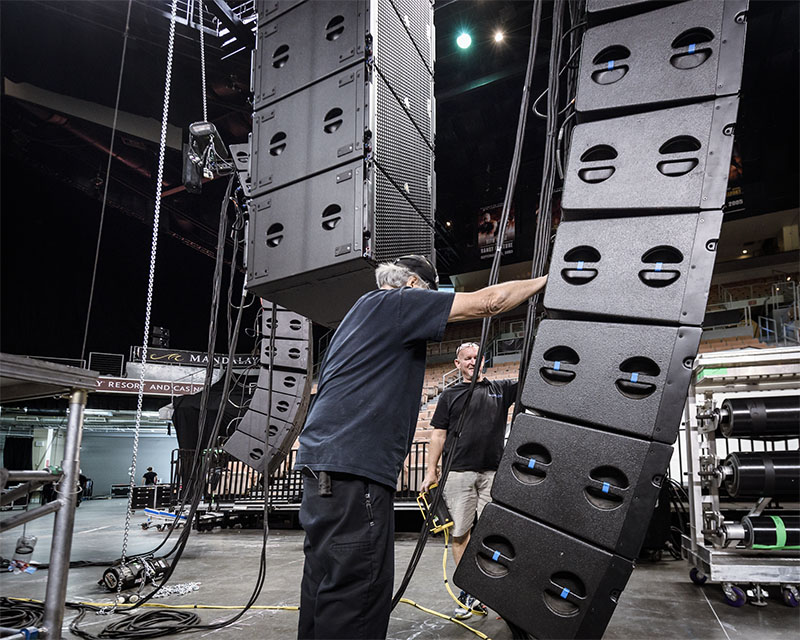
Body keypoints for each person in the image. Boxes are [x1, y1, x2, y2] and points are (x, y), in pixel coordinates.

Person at [295, 254, 546, 639]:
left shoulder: (357, 318)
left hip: (322, 471)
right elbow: (489, 303)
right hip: (355, 472)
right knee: (358, 594)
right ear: (414, 285)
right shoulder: (398, 301)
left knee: (324, 584)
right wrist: (548, 280)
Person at [421, 342, 517, 619]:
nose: (472, 362)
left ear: (484, 360)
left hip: (492, 472)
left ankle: (494, 595)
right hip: (458, 472)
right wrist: (431, 471)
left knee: (492, 535)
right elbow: (438, 435)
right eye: (467, 358)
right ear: (457, 363)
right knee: (461, 533)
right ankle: (468, 595)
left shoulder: (501, 389)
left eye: (477, 357)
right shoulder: (449, 395)